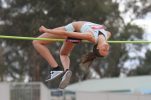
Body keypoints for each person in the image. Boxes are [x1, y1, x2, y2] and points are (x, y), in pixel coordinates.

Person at [32, 21, 111, 89]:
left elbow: (65, 33)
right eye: (107, 50)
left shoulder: (91, 36)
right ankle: (66, 71)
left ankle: (56, 68)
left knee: (36, 42)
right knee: (64, 54)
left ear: (97, 47)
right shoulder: (107, 35)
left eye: (103, 50)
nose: (106, 48)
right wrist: (101, 27)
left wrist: (46, 30)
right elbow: (107, 31)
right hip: (76, 34)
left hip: (71, 30)